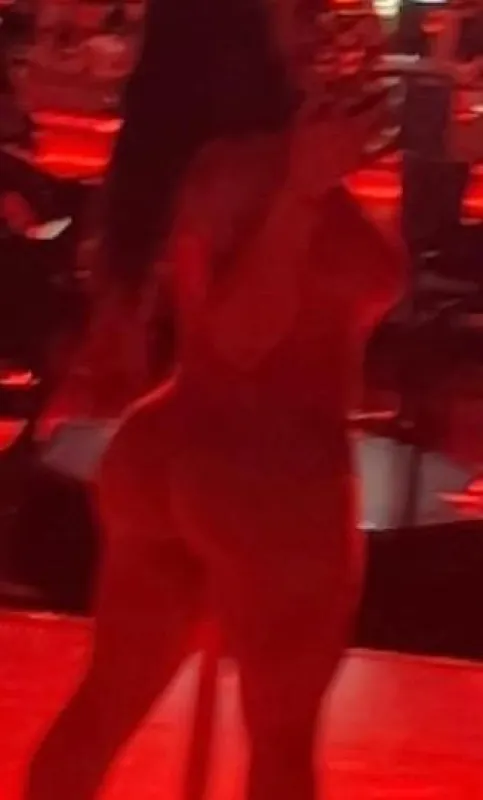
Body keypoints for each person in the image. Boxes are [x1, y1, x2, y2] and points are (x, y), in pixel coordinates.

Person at [25, 0, 406, 798]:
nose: (321, 26)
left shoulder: (210, 161)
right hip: (270, 472)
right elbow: (240, 335)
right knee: (280, 751)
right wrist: (302, 194)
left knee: (99, 715)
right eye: (300, 12)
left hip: (165, 449)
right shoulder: (261, 168)